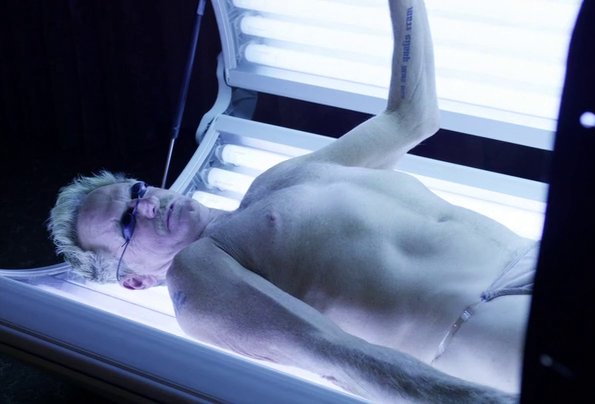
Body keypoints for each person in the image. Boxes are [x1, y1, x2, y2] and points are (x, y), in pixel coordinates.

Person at [48, 1, 537, 402]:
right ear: (134, 280)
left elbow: (412, 118)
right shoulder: (196, 276)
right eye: (127, 223)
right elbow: (334, 355)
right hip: (477, 327)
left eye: (136, 192)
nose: (147, 205)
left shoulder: (278, 179)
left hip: (528, 257)